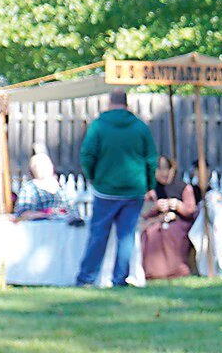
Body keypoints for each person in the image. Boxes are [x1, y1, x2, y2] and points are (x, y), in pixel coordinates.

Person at [75, 89, 157, 286]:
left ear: (109, 103)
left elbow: (87, 155)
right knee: (126, 236)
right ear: (127, 104)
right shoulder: (140, 127)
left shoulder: (98, 126)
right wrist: (149, 185)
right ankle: (120, 278)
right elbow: (151, 159)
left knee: (99, 234)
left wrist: (94, 177)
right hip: (134, 189)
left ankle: (86, 278)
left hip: (106, 189)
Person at [140, 156, 197, 279]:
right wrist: (155, 207)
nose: (163, 173)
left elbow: (190, 210)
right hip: (157, 222)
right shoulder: (152, 190)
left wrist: (178, 205)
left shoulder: (184, 188)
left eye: (166, 169)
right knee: (151, 233)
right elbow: (144, 212)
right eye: (159, 169)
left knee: (172, 233)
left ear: (172, 170)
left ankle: (177, 270)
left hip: (180, 222)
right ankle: (153, 272)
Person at [14, 151, 77, 222]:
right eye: (38, 166)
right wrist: (47, 214)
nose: (43, 168)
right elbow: (23, 214)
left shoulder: (61, 189)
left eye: (46, 165)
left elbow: (73, 212)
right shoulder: (29, 189)